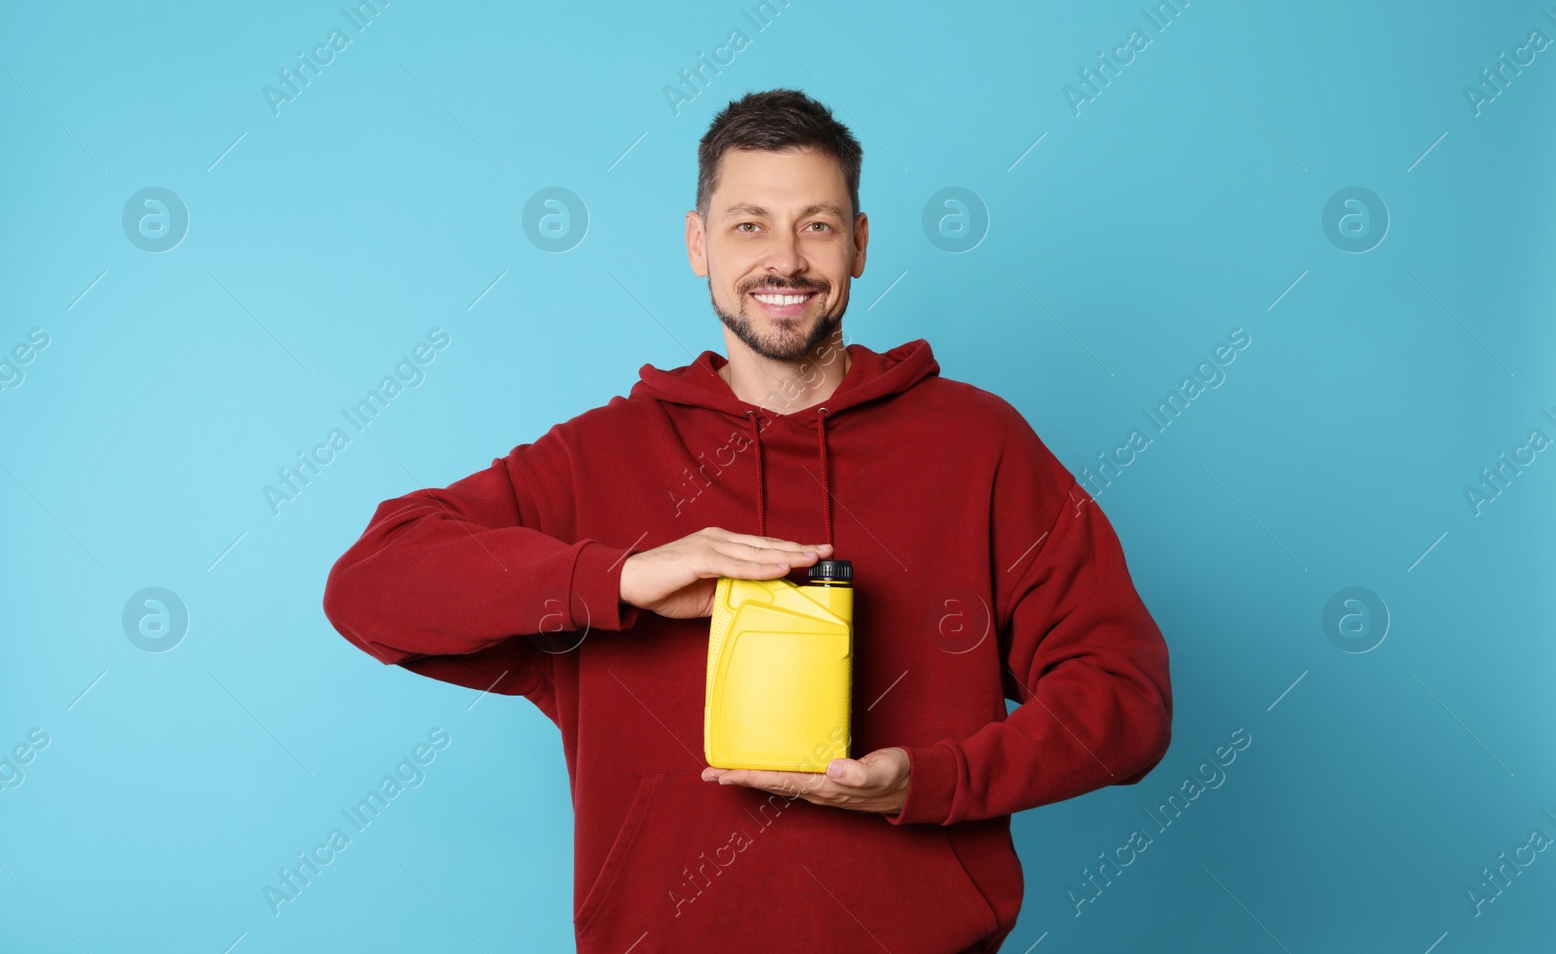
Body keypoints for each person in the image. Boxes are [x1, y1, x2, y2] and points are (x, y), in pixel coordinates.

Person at [323, 88, 1173, 953]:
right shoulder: (597, 458)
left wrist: (931, 781)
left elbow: (1125, 698)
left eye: (816, 225)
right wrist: (618, 577)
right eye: (748, 225)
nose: (786, 260)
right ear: (697, 244)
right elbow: (370, 584)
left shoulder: (976, 443)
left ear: (861, 244)